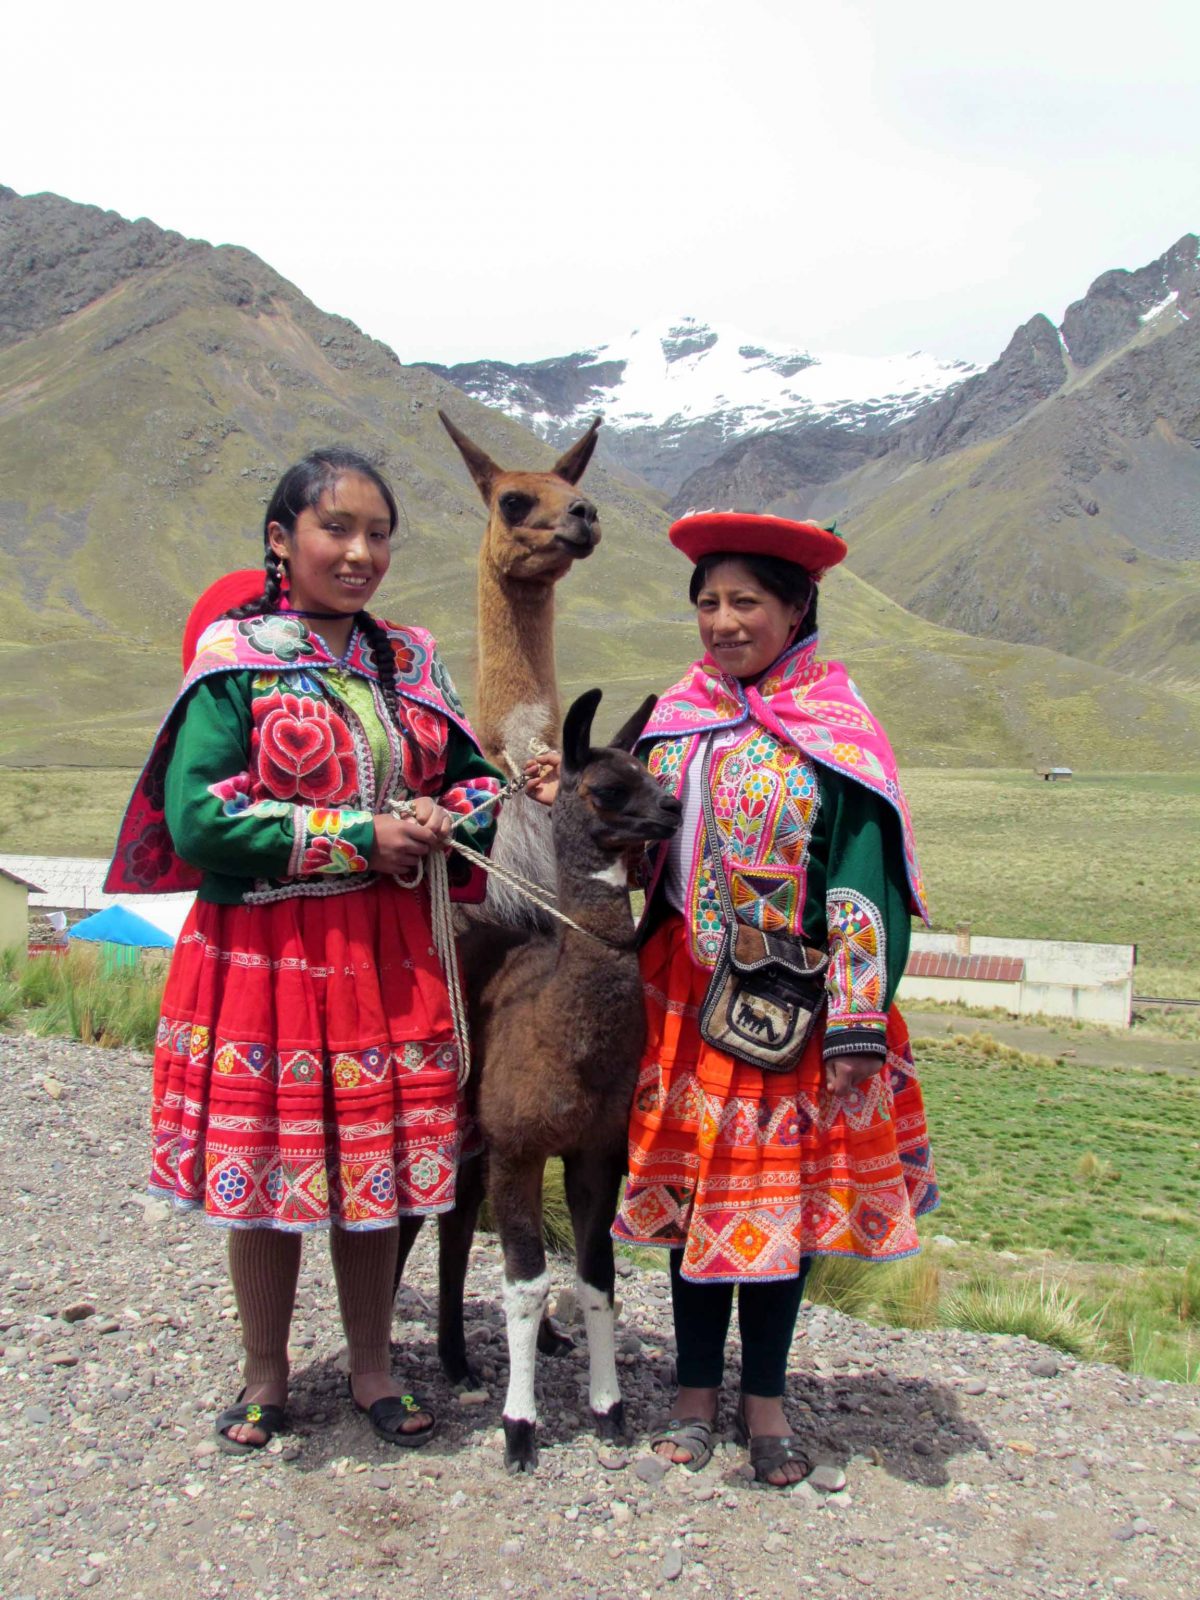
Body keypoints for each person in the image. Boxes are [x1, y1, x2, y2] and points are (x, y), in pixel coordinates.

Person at [106, 448, 522, 1454]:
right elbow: (198, 815)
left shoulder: (410, 663)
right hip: (266, 952)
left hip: (385, 950)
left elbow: (474, 784)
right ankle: (266, 1370)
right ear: (282, 539)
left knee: (368, 1160)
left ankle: (375, 1365)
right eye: (337, 528)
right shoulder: (234, 661)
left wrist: (440, 810)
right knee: (268, 1164)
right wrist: (351, 836)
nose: (361, 551)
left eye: (378, 533)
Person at [611, 510, 939, 1487]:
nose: (721, 620)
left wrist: (856, 1020)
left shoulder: (836, 731)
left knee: (777, 1209)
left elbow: (863, 876)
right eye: (708, 601)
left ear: (796, 607)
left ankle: (767, 1399)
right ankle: (692, 1393)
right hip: (684, 997)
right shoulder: (678, 718)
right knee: (693, 1201)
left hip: (793, 1008)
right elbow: (645, 851)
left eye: (745, 600)